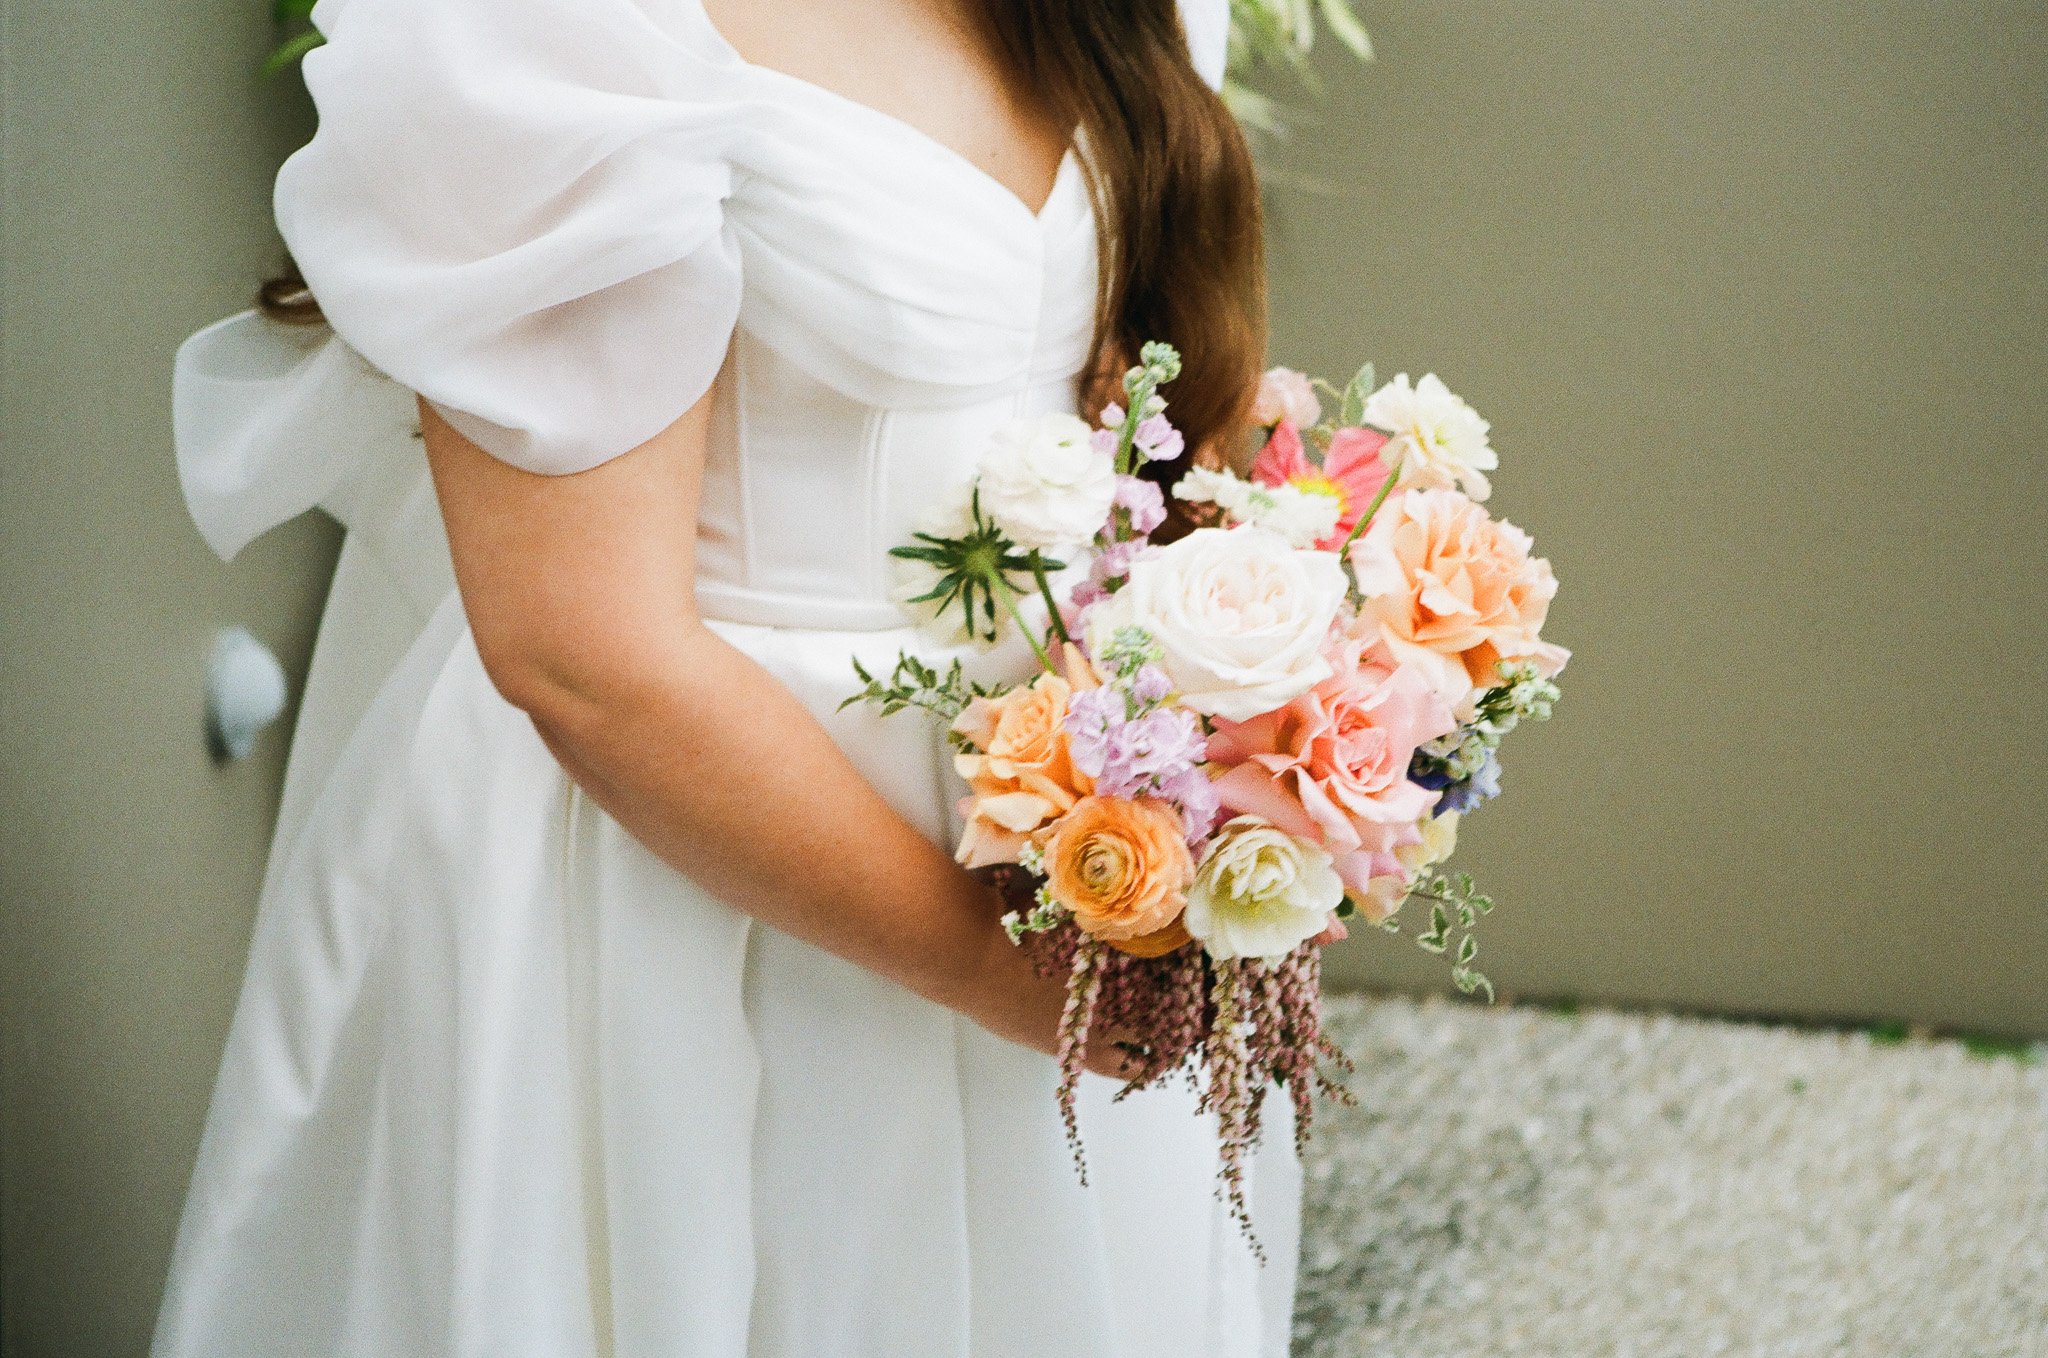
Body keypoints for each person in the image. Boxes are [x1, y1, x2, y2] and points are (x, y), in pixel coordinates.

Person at [153, 0, 1301, 1352]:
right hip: (685, 887)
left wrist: (1273, 705)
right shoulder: (552, 35)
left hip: (1074, 857)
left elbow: (1140, 396)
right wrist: (1006, 979)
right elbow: (581, 655)